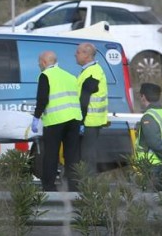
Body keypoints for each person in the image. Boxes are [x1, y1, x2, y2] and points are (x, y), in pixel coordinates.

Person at [32, 51, 83, 191]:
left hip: (55, 120)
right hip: (74, 120)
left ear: (43, 62)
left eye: (39, 62)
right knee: (71, 154)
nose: (38, 65)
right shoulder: (70, 76)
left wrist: (36, 117)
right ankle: (74, 185)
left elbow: (42, 99)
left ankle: (49, 186)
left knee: (51, 154)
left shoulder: (45, 75)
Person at [75, 43, 108, 175]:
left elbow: (85, 99)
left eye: (78, 52)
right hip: (92, 121)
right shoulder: (92, 70)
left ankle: (88, 188)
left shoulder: (92, 72)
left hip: (89, 121)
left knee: (87, 157)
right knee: (87, 156)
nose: (75, 54)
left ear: (87, 55)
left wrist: (81, 121)